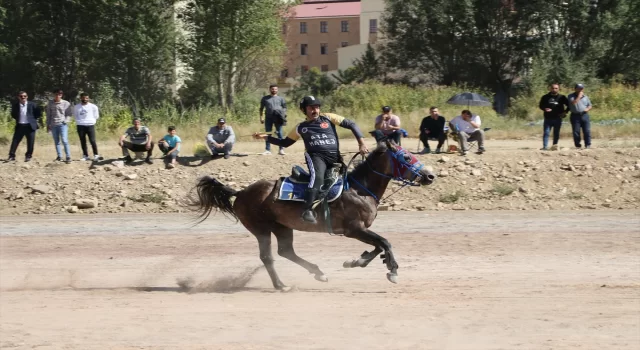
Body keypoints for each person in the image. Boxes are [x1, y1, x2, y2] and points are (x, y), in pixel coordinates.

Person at [253, 96, 368, 224]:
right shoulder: (300, 127)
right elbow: (285, 143)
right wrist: (266, 137)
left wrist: (361, 143)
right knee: (318, 178)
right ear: (304, 110)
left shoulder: (328, 117)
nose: (315, 110)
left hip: (334, 156)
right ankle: (307, 210)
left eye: (317, 107)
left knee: (348, 179)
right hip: (315, 157)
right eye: (311, 108)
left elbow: (351, 124)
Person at [8, 91, 42, 162]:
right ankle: (11, 156)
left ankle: (28, 156)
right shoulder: (16, 105)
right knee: (15, 141)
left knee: (30, 142)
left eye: (25, 96)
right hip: (20, 125)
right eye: (21, 96)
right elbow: (13, 114)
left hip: (30, 126)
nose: (23, 98)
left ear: (27, 97)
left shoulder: (32, 104)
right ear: (18, 97)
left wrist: (32, 119)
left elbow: (38, 113)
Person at [538, 83, 569, 151]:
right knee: (546, 133)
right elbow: (540, 105)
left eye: (556, 88)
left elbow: (569, 105)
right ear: (550, 88)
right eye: (553, 88)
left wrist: (565, 112)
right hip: (548, 118)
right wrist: (544, 109)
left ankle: (554, 146)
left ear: (558, 89)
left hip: (558, 118)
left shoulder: (562, 97)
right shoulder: (545, 97)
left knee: (556, 133)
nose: (554, 89)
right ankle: (545, 147)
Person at [45, 88, 73, 163]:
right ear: (54, 95)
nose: (58, 95)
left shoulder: (66, 103)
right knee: (56, 141)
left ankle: (68, 156)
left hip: (62, 125)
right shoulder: (50, 103)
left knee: (64, 140)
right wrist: (48, 125)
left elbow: (69, 114)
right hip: (53, 125)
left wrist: (65, 121)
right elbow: (48, 115)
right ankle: (59, 156)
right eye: (56, 94)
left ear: (61, 95)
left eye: (59, 94)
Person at [259, 84, 287, 155]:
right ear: (270, 89)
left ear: (277, 90)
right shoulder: (265, 98)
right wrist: (261, 117)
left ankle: (281, 149)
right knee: (268, 133)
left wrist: (283, 115)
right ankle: (267, 150)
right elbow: (261, 108)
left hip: (278, 118)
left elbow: (284, 107)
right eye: (272, 89)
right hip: (268, 118)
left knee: (279, 133)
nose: (274, 90)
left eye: (275, 89)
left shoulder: (281, 98)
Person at [74, 92, 102, 161]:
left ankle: (96, 155)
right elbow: (75, 115)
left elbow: (96, 116)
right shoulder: (77, 107)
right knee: (83, 141)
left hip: (90, 125)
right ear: (80, 98)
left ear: (88, 98)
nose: (85, 99)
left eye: (86, 98)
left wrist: (92, 121)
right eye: (83, 98)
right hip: (81, 125)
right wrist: (80, 121)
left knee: (92, 140)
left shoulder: (93, 106)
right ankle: (85, 155)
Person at [567, 83, 593, 149]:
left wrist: (588, 108)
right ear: (575, 89)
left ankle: (588, 145)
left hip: (584, 115)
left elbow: (590, 105)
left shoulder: (585, 97)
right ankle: (578, 145)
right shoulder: (570, 96)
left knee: (587, 131)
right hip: (575, 116)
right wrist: (579, 96)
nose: (580, 90)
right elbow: (573, 103)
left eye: (581, 88)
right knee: (576, 131)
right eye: (578, 88)